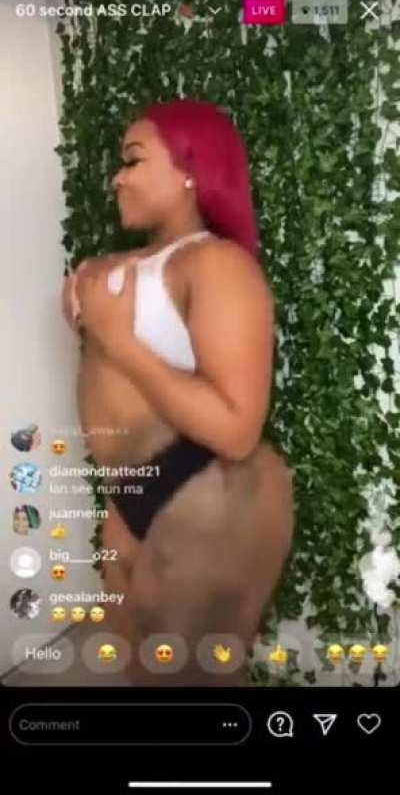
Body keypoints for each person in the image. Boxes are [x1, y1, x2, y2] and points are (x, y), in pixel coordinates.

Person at [62, 98, 295, 686]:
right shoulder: (120, 264)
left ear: (190, 170)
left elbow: (237, 430)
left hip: (203, 486)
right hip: (130, 491)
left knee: (191, 684)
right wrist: (87, 300)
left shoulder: (217, 264)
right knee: (144, 673)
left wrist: (117, 338)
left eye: (133, 160)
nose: (117, 178)